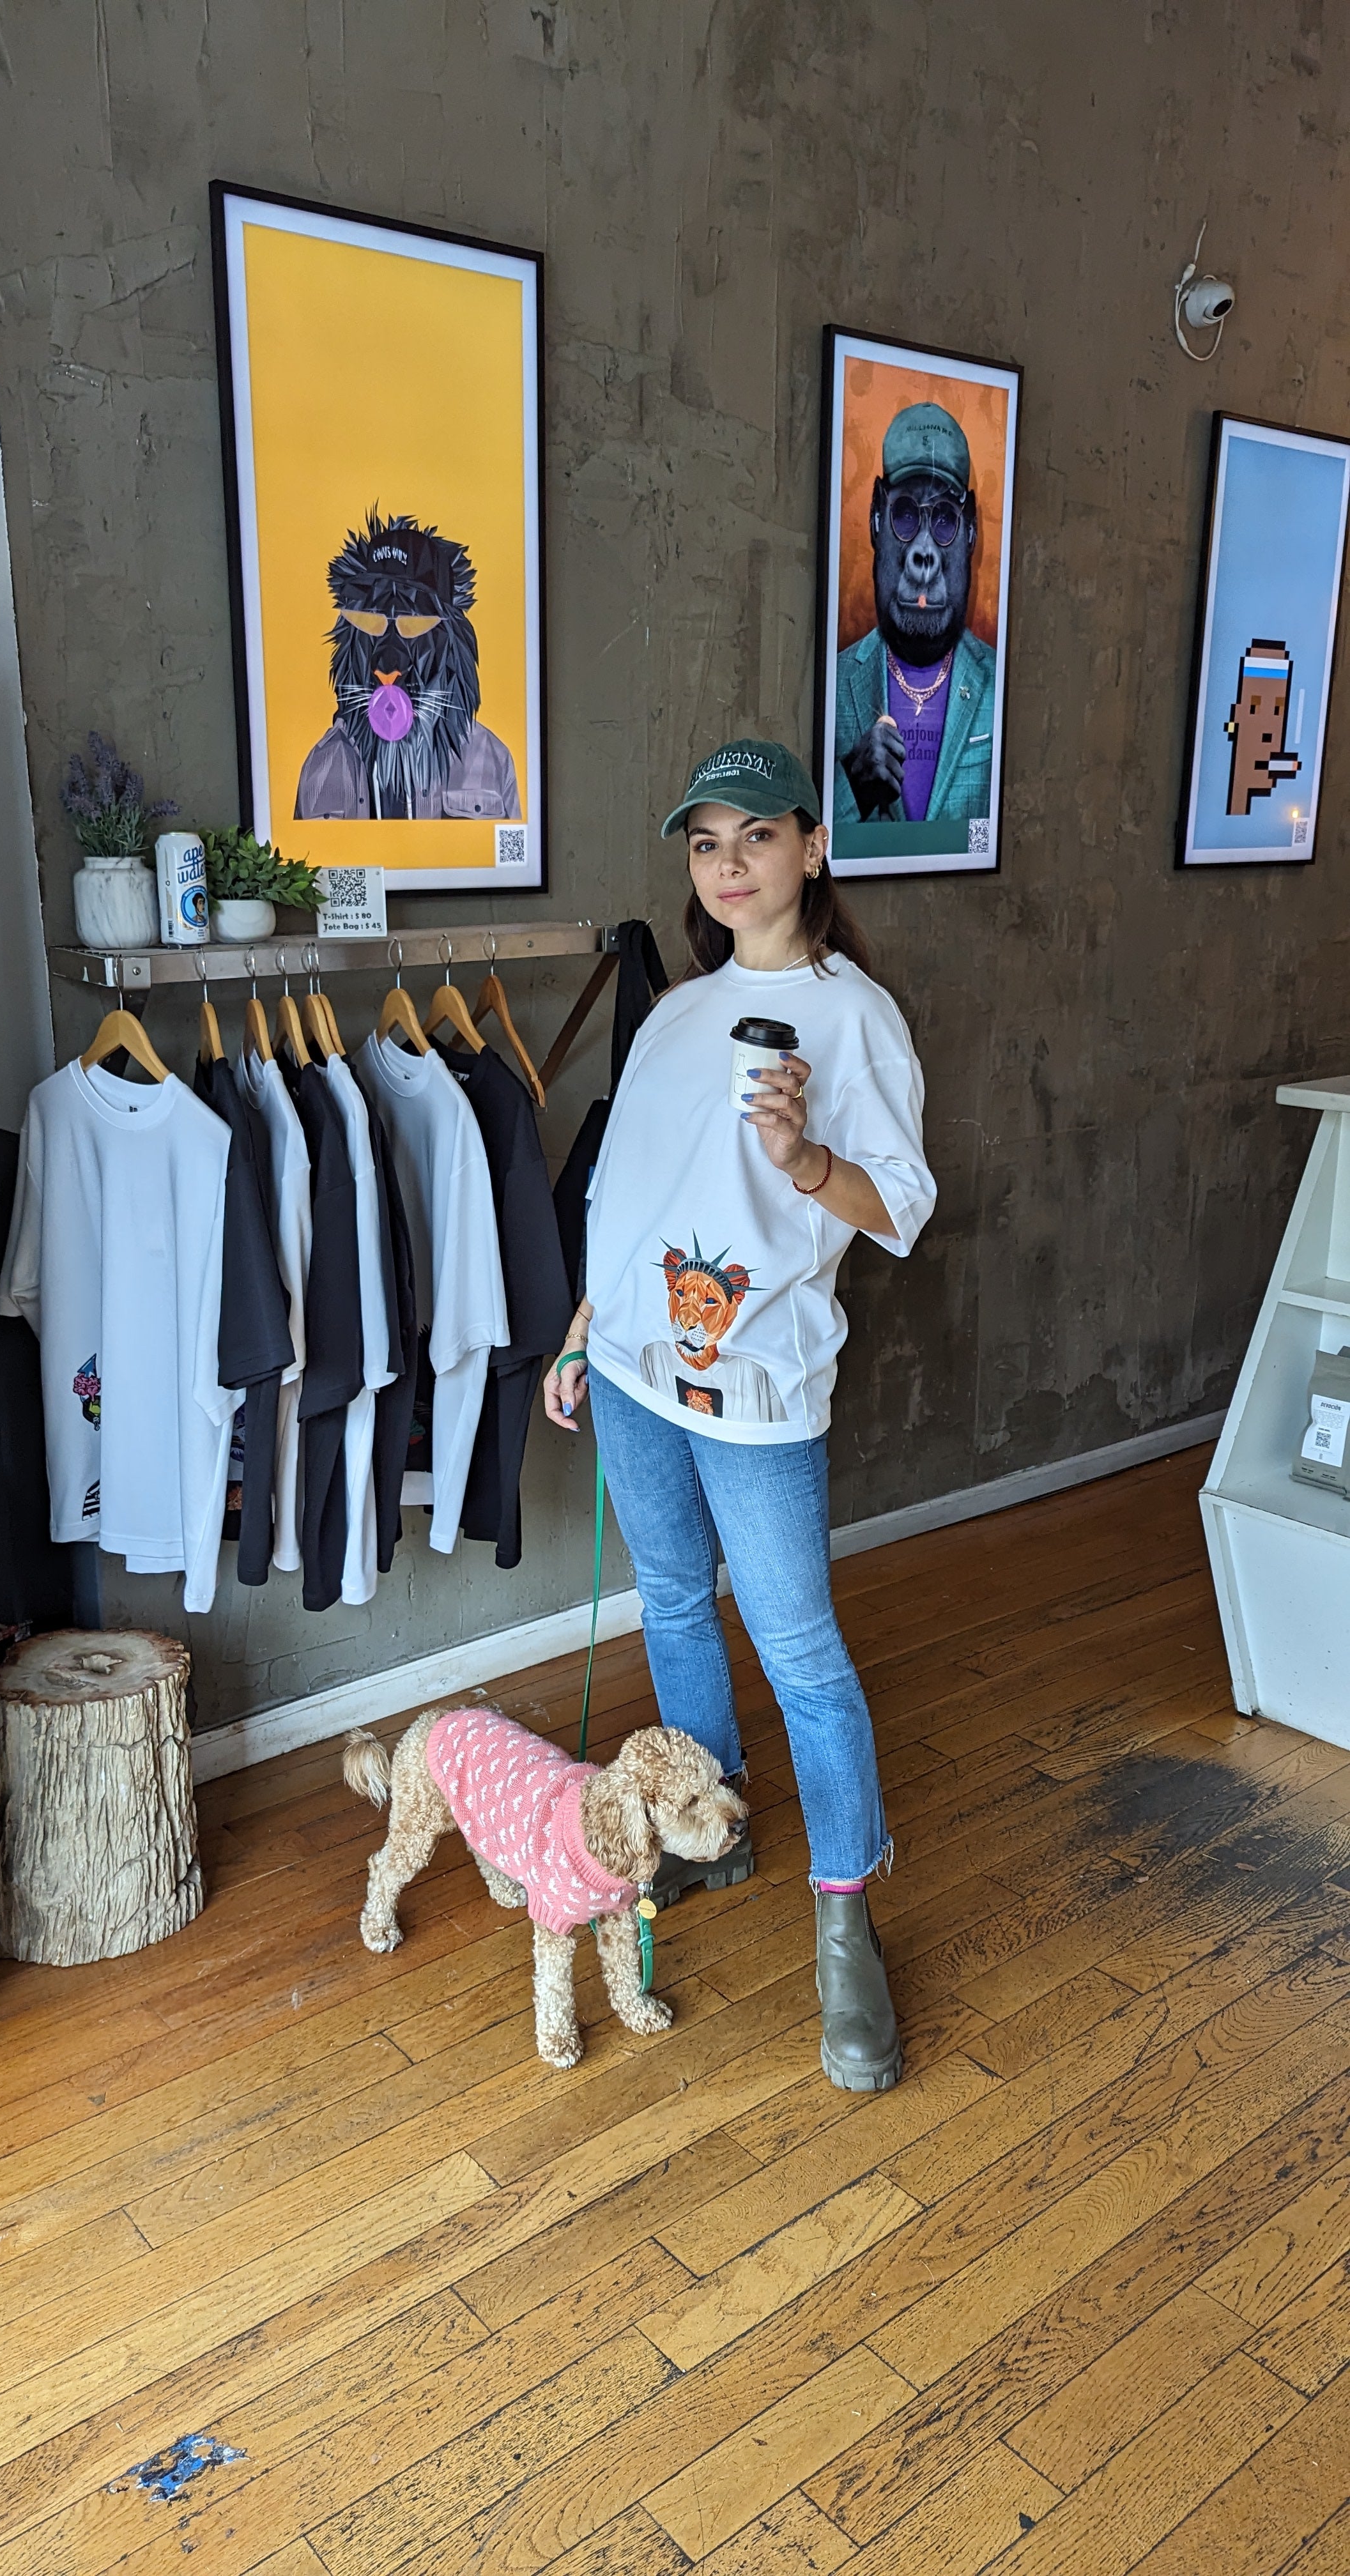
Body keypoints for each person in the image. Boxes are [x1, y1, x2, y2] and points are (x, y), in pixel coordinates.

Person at [544, 737, 935, 2092]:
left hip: (757, 1383)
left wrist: (802, 1156)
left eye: (755, 836)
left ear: (811, 847)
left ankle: (845, 1922)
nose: (729, 866)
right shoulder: (674, 1014)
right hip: (635, 1368)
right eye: (705, 844)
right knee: (669, 1599)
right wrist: (584, 1329)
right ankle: (714, 1833)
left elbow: (900, 1209)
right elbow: (627, 1196)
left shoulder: (853, 1018)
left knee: (800, 1650)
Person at [833, 401, 995, 831]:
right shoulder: (834, 682)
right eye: (905, 515)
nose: (923, 553)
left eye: (944, 520)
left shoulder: (1000, 685)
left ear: (971, 531)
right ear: (876, 519)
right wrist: (852, 785)